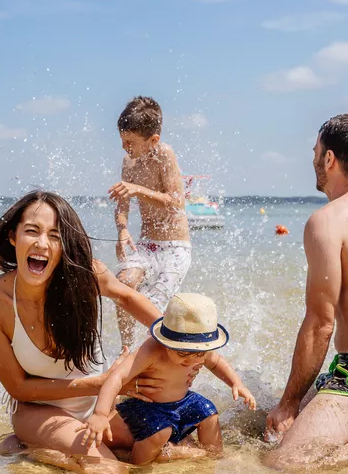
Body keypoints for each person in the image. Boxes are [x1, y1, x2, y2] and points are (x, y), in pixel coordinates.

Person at [0, 190, 172, 473]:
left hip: (100, 404)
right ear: (13, 237)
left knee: (160, 450)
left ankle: (32, 450)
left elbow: (126, 297)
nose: (42, 243)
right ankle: (35, 443)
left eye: (55, 235)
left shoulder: (84, 276)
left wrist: (173, 342)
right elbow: (18, 387)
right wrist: (105, 383)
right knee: (108, 467)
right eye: (32, 231)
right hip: (38, 410)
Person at [78, 293, 256, 465]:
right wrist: (100, 414)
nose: (192, 361)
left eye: (199, 354)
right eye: (183, 353)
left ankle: (214, 456)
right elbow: (116, 378)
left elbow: (217, 363)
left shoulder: (201, 348)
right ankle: (136, 463)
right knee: (161, 430)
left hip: (182, 401)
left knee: (209, 411)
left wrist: (236, 383)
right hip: (146, 406)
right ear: (166, 342)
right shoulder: (152, 351)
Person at [264, 114, 348, 470]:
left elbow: (320, 323)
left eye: (315, 151)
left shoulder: (328, 221)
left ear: (329, 158)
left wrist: (288, 403)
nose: (313, 159)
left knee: (280, 462)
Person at [108, 96, 191, 347]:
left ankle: (158, 358)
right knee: (124, 284)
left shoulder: (164, 155)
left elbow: (176, 201)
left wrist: (137, 189)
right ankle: (126, 350)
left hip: (175, 248)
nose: (125, 147)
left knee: (151, 306)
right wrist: (122, 230)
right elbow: (122, 205)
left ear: (153, 140)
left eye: (130, 142)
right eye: (122, 140)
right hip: (147, 244)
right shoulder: (128, 162)